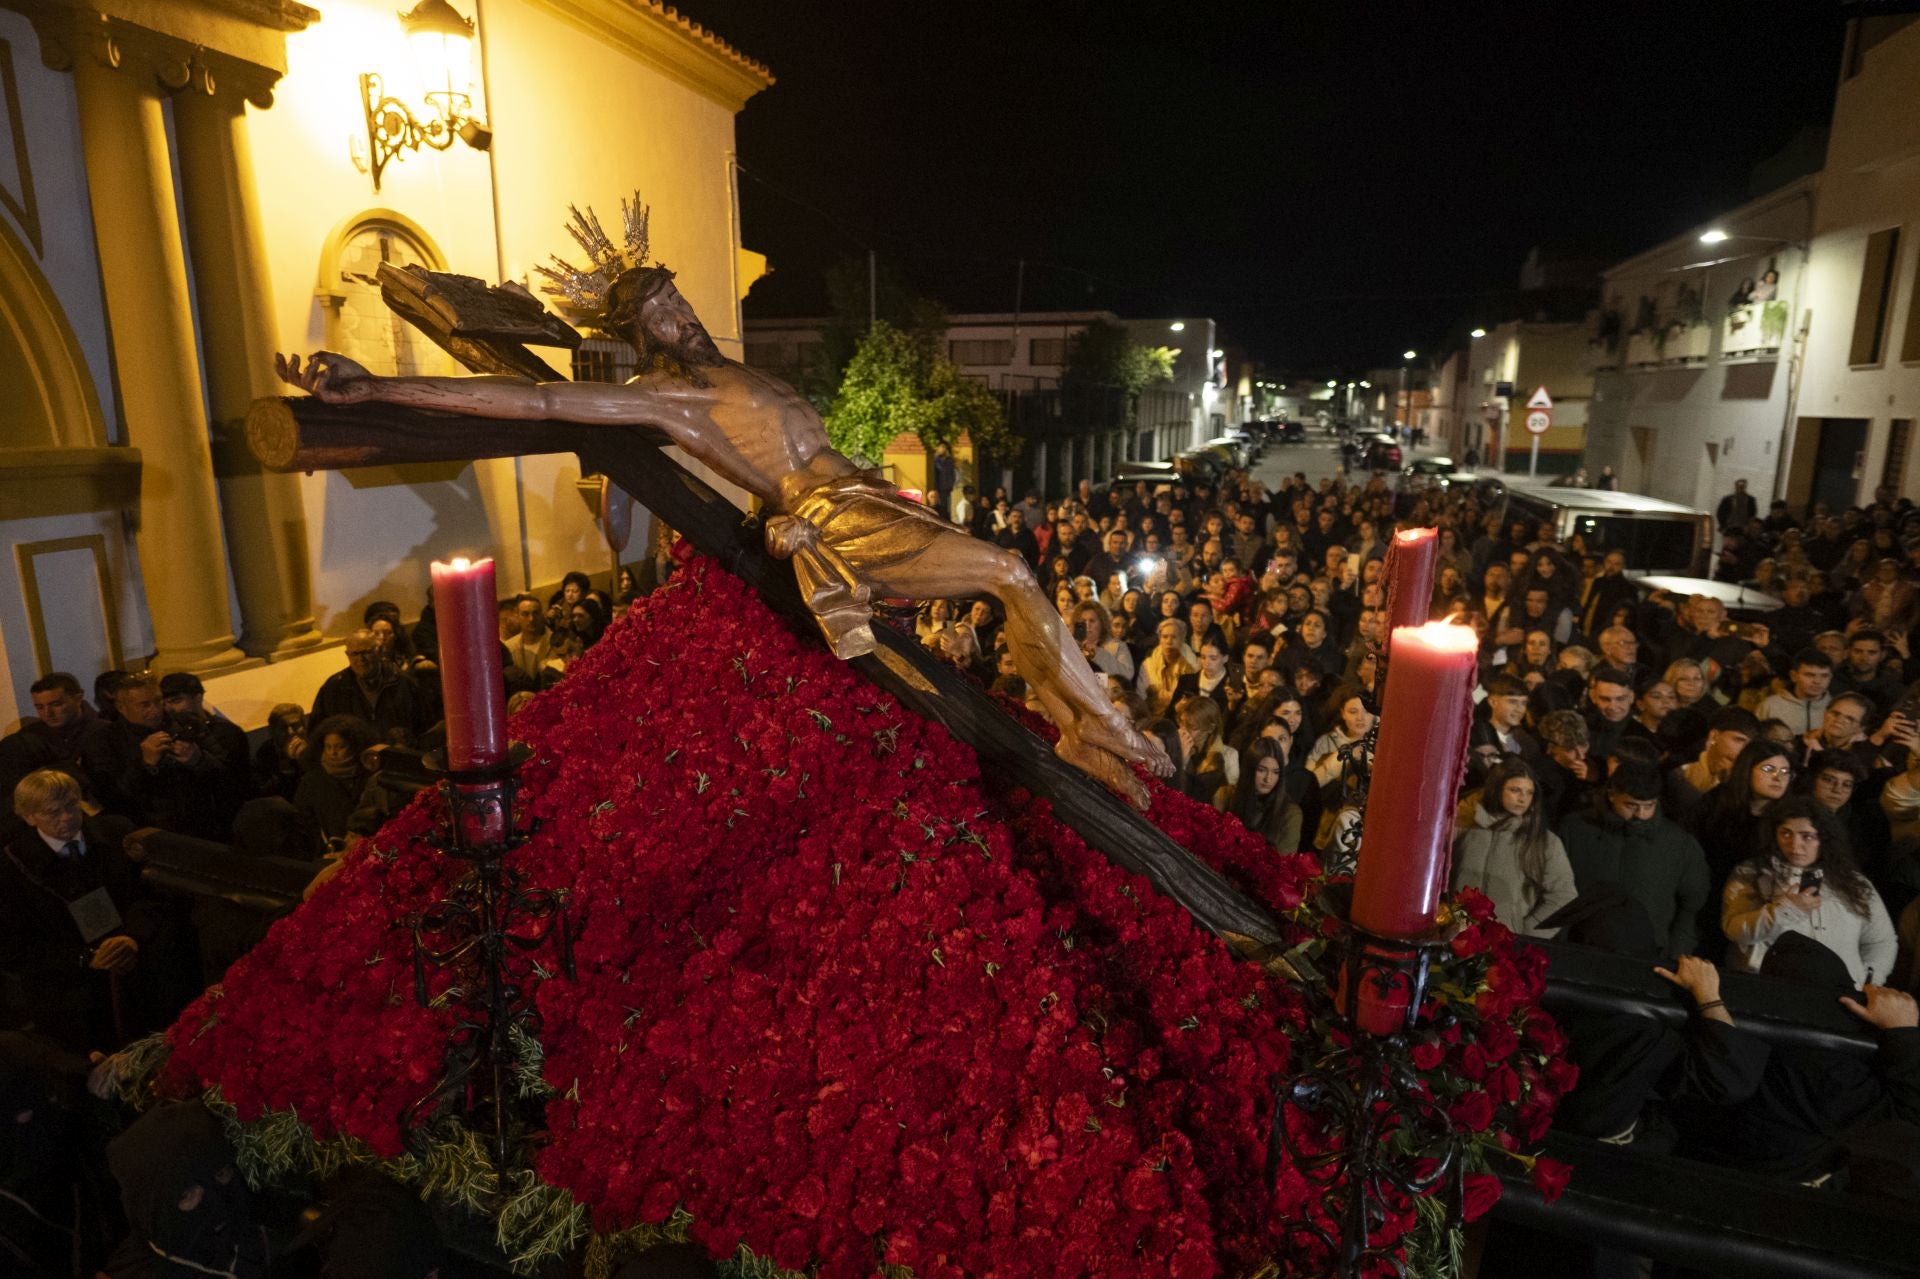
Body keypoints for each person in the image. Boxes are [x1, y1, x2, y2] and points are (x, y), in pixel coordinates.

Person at [0, 770, 173, 1052]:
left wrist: (131, 937)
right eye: (52, 813)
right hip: (69, 994)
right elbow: (13, 946)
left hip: (137, 969)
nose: (66, 818)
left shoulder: (115, 834)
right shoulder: (12, 866)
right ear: (29, 817)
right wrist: (85, 958)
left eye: (71, 806)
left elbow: (150, 896)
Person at [1722, 797, 1898, 987]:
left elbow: (1881, 941)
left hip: (1841, 993)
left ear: (1823, 838)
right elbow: (1734, 929)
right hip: (1771, 989)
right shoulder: (1751, 874)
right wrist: (1786, 911)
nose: (1795, 845)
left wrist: (1870, 980)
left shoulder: (1854, 883)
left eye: (1807, 836)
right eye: (1786, 834)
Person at [1558, 763, 1713, 958]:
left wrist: (1675, 953)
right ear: (1612, 795)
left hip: (1648, 954)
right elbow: (1558, 890)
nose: (1640, 814)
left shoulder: (1679, 844)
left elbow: (1693, 905)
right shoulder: (1576, 830)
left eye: (1648, 806)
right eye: (1630, 805)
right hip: (1580, 948)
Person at [80, 674, 235, 841]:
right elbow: (113, 799)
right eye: (144, 705)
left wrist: (198, 760)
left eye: (158, 701)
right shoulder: (104, 741)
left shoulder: (188, 724)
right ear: (121, 707)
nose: (155, 710)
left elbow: (228, 777)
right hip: (148, 835)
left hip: (203, 829)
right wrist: (145, 765)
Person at [1451, 759, 1578, 937]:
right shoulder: (1464, 828)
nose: (1522, 798)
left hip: (1506, 945)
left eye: (1529, 792)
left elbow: (1563, 895)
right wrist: (1454, 924)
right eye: (1515, 790)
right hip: (1457, 939)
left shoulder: (1544, 841)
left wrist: (1525, 933)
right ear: (1497, 789)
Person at [311, 628, 428, 747]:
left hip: (397, 757)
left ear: (379, 651)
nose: (361, 660)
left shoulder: (403, 683)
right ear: (347, 654)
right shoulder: (334, 688)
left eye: (366, 652)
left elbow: (426, 726)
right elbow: (317, 733)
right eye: (355, 654)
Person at [293, 715, 379, 854]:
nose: (333, 752)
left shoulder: (370, 775)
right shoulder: (313, 781)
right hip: (331, 853)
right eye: (328, 747)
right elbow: (304, 820)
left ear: (354, 745)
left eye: (340, 746)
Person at [1665, 705, 1760, 822]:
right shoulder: (1679, 773)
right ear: (1713, 736)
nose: (1744, 750)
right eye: (1738, 740)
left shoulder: (1750, 782)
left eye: (1750, 745)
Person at [1218, 739, 1303, 853]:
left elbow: (1284, 863)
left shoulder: (1290, 814)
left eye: (1275, 772)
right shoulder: (1225, 796)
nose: (1268, 779)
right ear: (1249, 769)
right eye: (1261, 770)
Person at [1758, 648, 1834, 737]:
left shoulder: (1838, 709)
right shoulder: (1770, 706)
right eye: (1809, 675)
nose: (1817, 681)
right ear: (1793, 676)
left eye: (1824, 676)